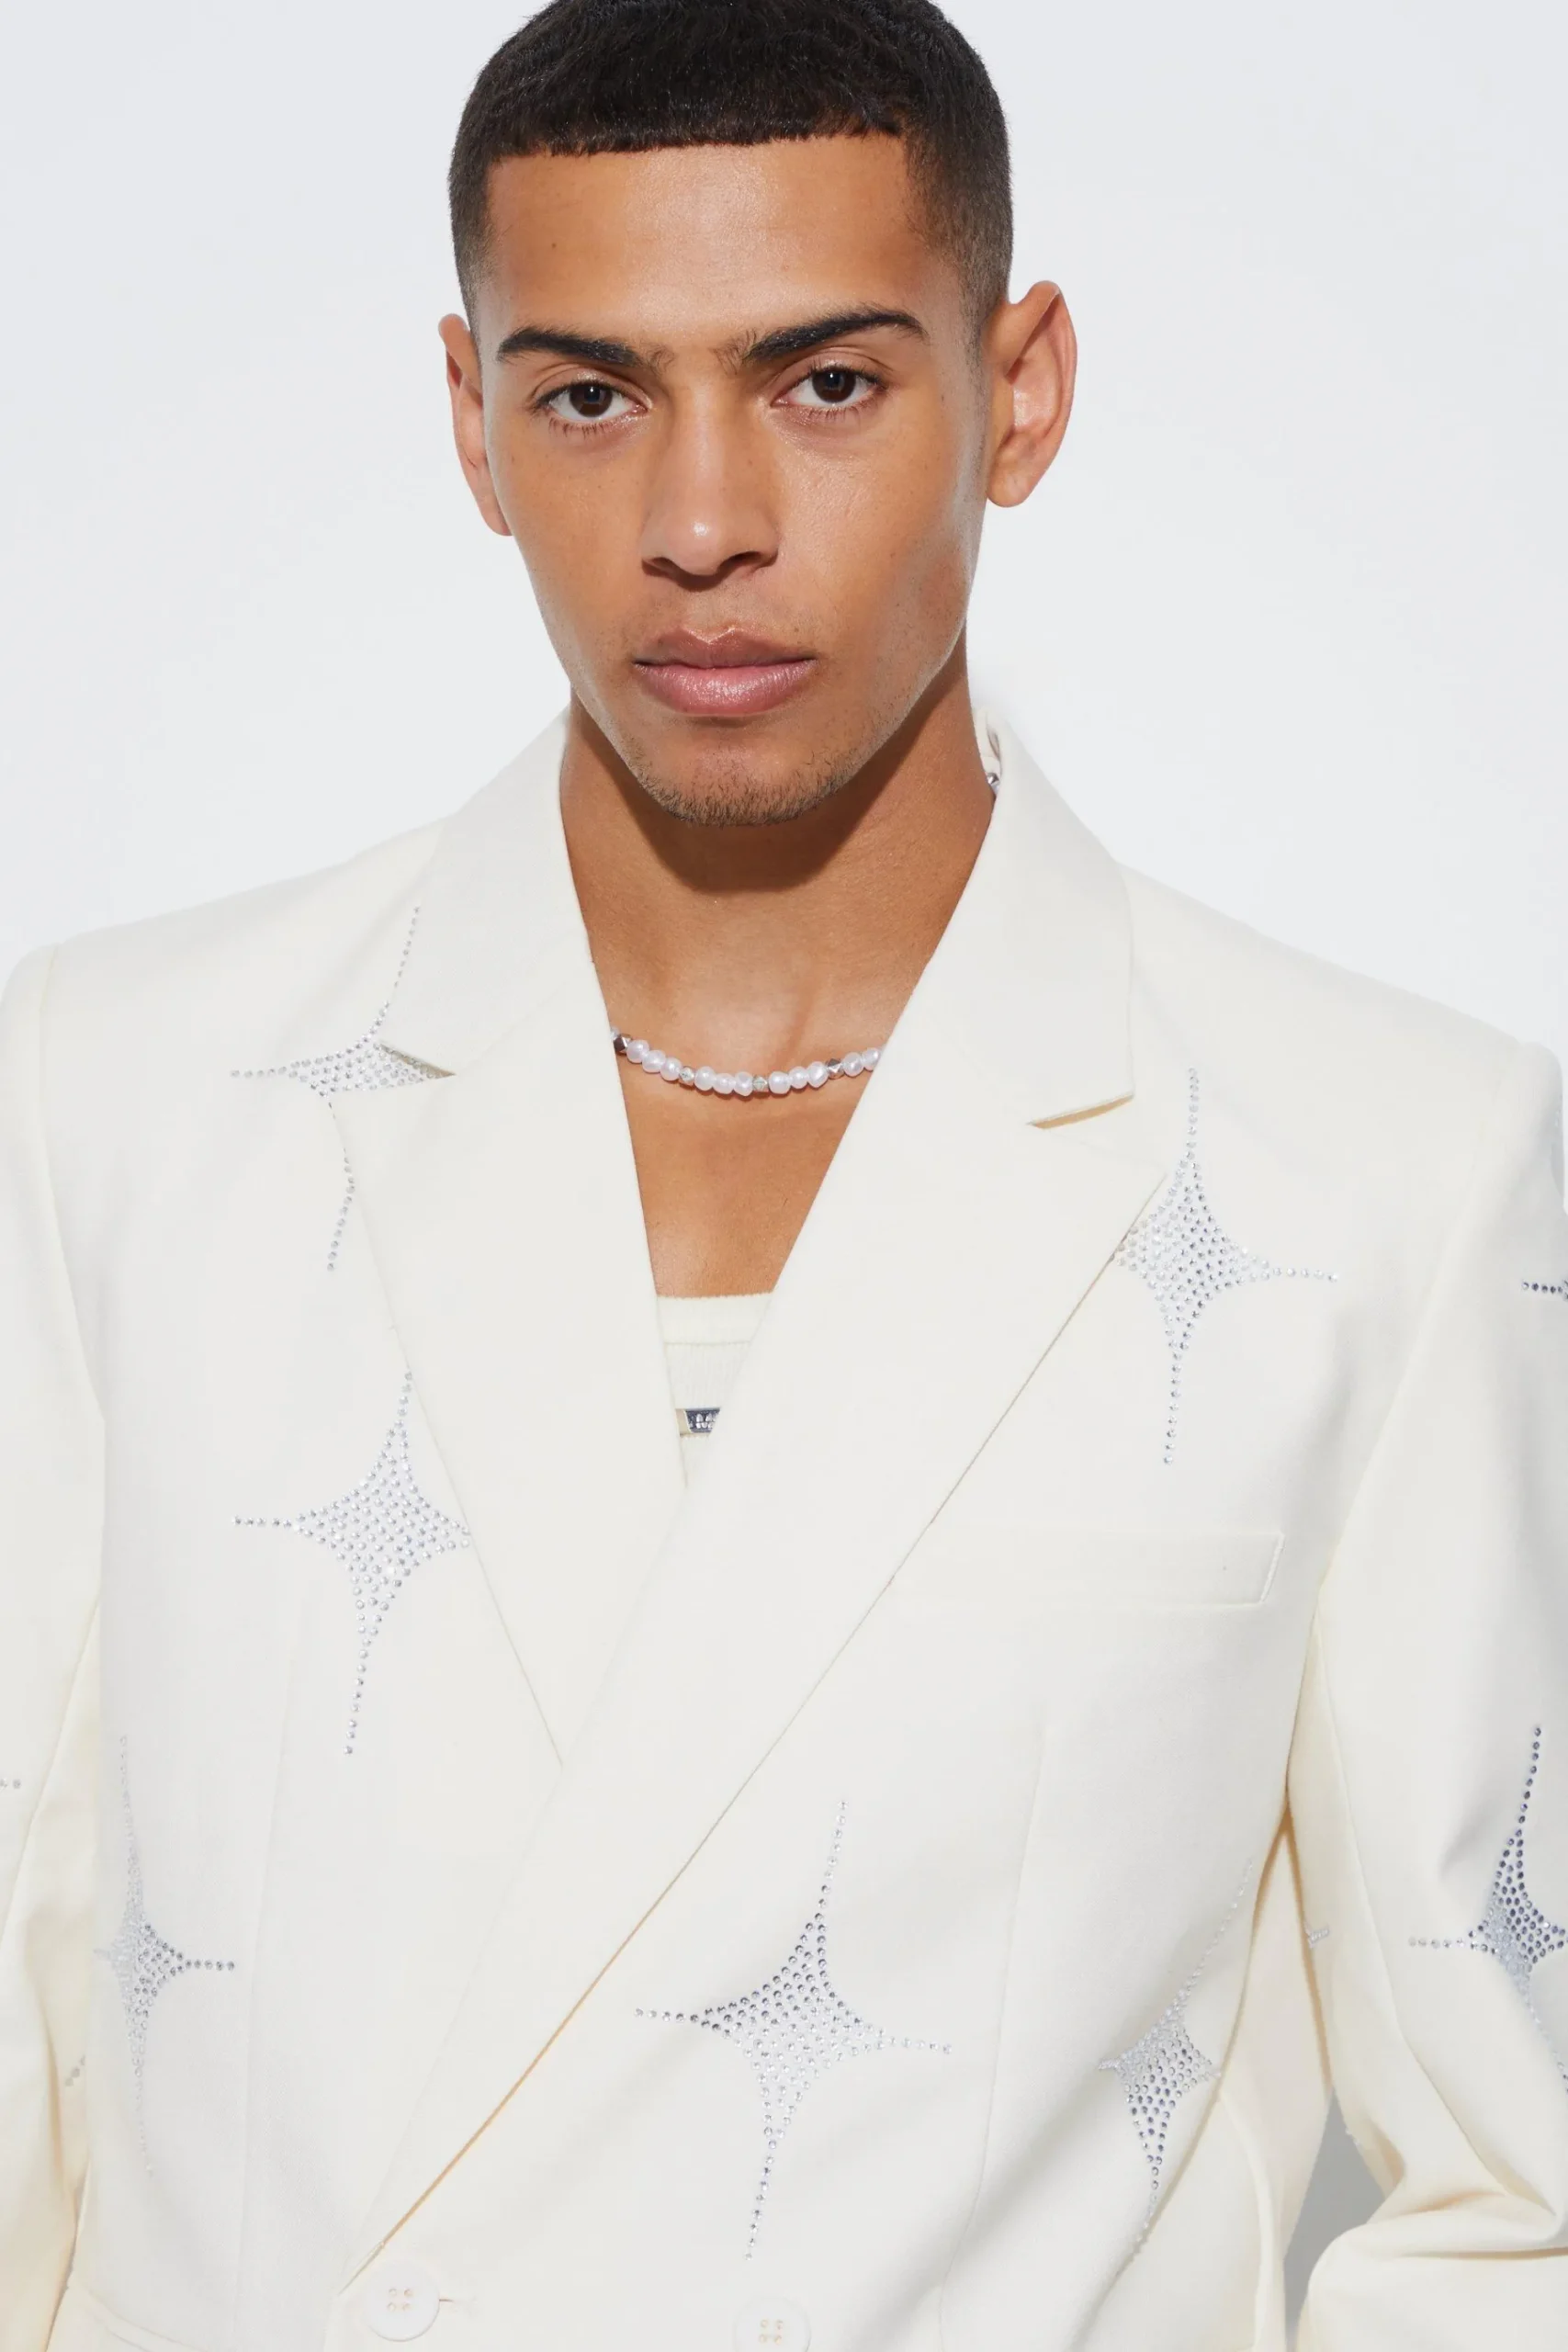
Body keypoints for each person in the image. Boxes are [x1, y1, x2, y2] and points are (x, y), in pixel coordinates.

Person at [3, 0, 1565, 2346]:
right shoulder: (111, 1104)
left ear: (1017, 391)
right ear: (470, 419)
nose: (701, 521)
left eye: (823, 381)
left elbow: (1513, 2201)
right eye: (590, 396)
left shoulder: (1380, 1171)